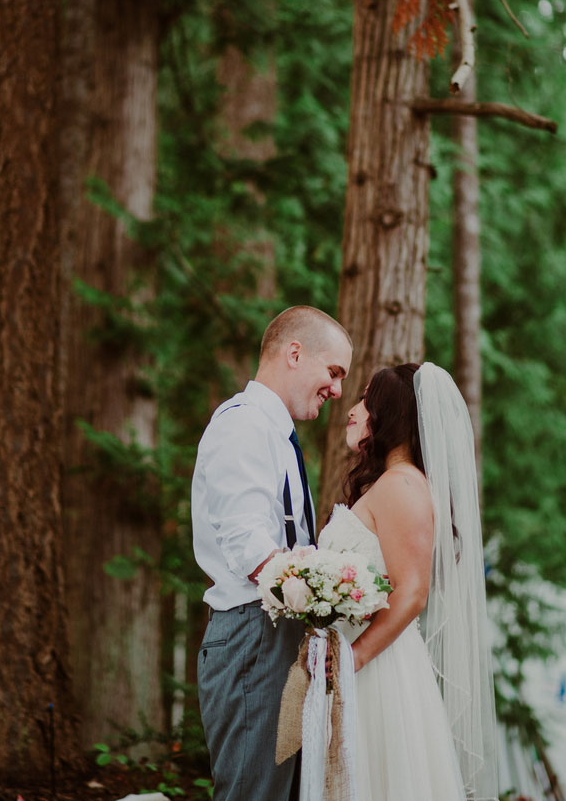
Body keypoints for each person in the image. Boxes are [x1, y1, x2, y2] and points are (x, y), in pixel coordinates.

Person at [192, 305, 353, 801]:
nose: (338, 391)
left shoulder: (277, 435)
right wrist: (322, 597)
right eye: (333, 372)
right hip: (250, 635)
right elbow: (250, 547)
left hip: (275, 634)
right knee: (252, 791)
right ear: (295, 353)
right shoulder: (243, 425)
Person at [318, 362, 498, 801]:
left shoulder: (402, 486)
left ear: (391, 414)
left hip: (378, 670)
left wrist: (352, 660)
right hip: (359, 662)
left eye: (365, 400)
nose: (353, 410)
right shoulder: (386, 484)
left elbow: (412, 592)